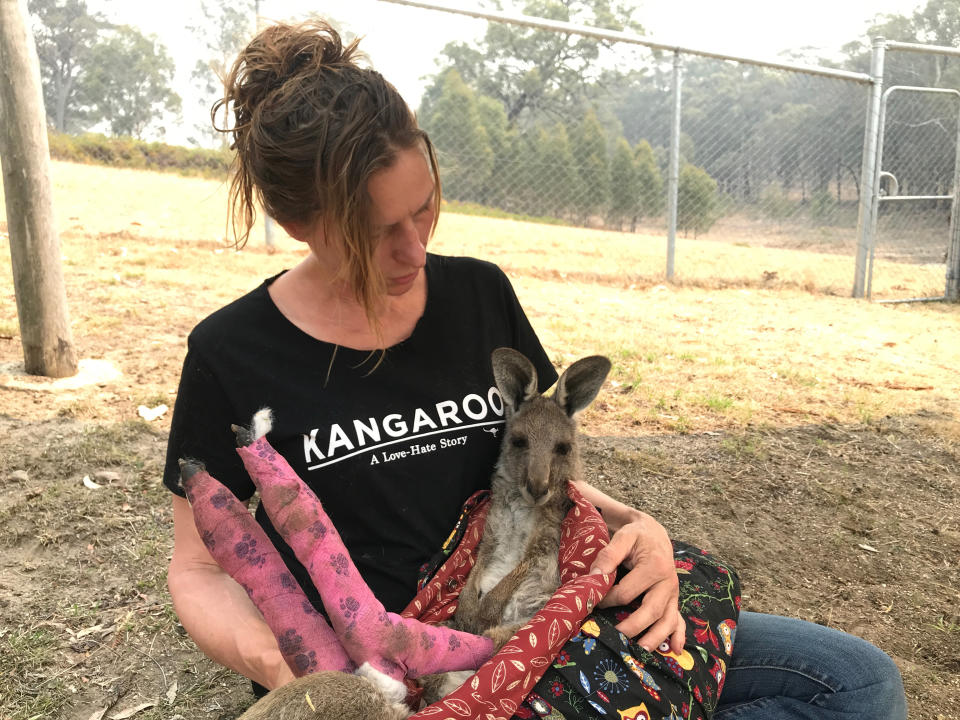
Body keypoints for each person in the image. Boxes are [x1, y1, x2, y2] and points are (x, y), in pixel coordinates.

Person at [164, 19, 907, 720]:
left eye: (423, 209)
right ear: (298, 223)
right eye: (375, 232)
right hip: (396, 665)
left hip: (547, 606)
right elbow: (200, 570)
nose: (415, 251)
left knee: (853, 686)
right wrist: (303, 673)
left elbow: (540, 459)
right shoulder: (233, 352)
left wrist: (635, 527)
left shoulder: (478, 293)